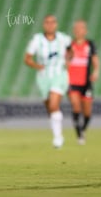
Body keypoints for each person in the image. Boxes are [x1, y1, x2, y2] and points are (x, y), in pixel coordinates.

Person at [24, 15, 72, 148]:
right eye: (47, 22)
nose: (50, 25)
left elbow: (71, 52)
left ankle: (58, 138)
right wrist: (36, 66)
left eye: (53, 22)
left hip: (59, 75)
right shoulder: (37, 40)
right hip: (43, 78)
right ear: (44, 25)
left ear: (56, 24)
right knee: (50, 108)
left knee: (53, 104)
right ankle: (57, 135)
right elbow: (27, 59)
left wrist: (68, 60)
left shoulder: (64, 38)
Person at [67, 20, 100, 145]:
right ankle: (79, 133)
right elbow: (66, 60)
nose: (78, 30)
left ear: (85, 31)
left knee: (87, 112)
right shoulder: (69, 45)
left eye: (81, 28)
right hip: (72, 81)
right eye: (76, 28)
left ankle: (83, 129)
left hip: (86, 82)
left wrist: (96, 71)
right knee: (76, 105)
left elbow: (95, 60)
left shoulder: (90, 44)